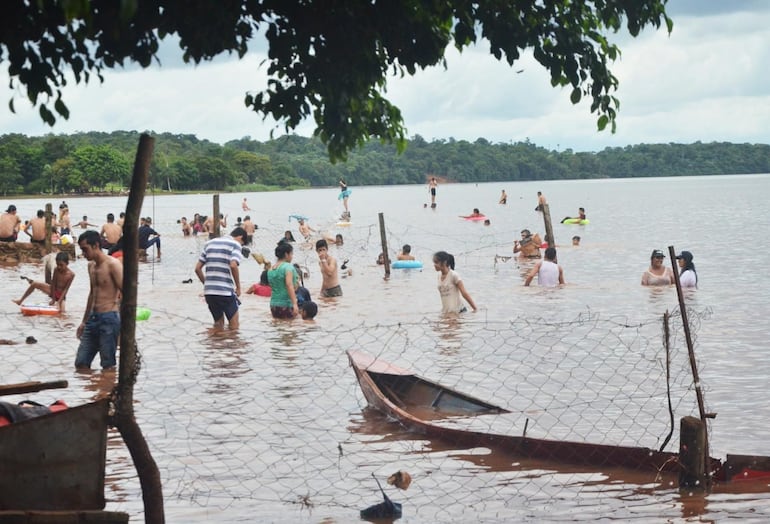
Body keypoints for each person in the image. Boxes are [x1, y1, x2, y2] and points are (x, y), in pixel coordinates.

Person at [75, 230, 123, 370]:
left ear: (96, 245)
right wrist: (84, 321)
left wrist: (123, 325)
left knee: (108, 365)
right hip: (92, 319)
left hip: (109, 318)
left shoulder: (113, 265)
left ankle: (107, 390)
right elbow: (92, 294)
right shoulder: (91, 266)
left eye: (85, 249)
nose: (83, 254)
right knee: (81, 363)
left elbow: (125, 293)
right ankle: (94, 390)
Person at [195, 227, 247, 330]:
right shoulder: (235, 245)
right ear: (240, 237)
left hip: (209, 293)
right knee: (234, 326)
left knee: (218, 325)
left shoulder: (209, 243)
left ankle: (216, 344)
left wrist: (207, 284)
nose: (241, 246)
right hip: (225, 292)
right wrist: (238, 287)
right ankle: (229, 344)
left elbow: (197, 269)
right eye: (242, 243)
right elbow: (233, 265)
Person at [268, 241, 300, 319]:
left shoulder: (271, 269)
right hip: (286, 303)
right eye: (291, 254)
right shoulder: (288, 267)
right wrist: (295, 304)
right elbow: (289, 285)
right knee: (290, 328)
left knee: (279, 327)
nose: (292, 256)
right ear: (286, 254)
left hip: (273, 304)